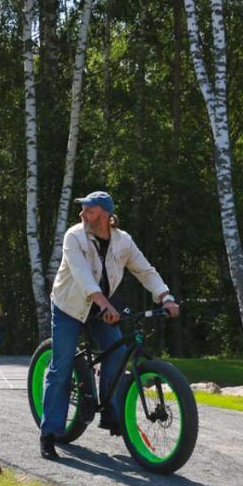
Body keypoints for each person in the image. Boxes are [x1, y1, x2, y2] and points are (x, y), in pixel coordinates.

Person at [39, 190, 180, 460]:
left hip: (101, 306)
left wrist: (166, 296)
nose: (82, 214)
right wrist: (104, 304)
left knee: (116, 351)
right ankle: (49, 433)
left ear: (105, 216)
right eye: (83, 210)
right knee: (61, 366)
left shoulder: (123, 241)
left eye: (88, 210)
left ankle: (110, 412)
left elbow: (145, 270)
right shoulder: (74, 236)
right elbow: (82, 276)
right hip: (70, 305)